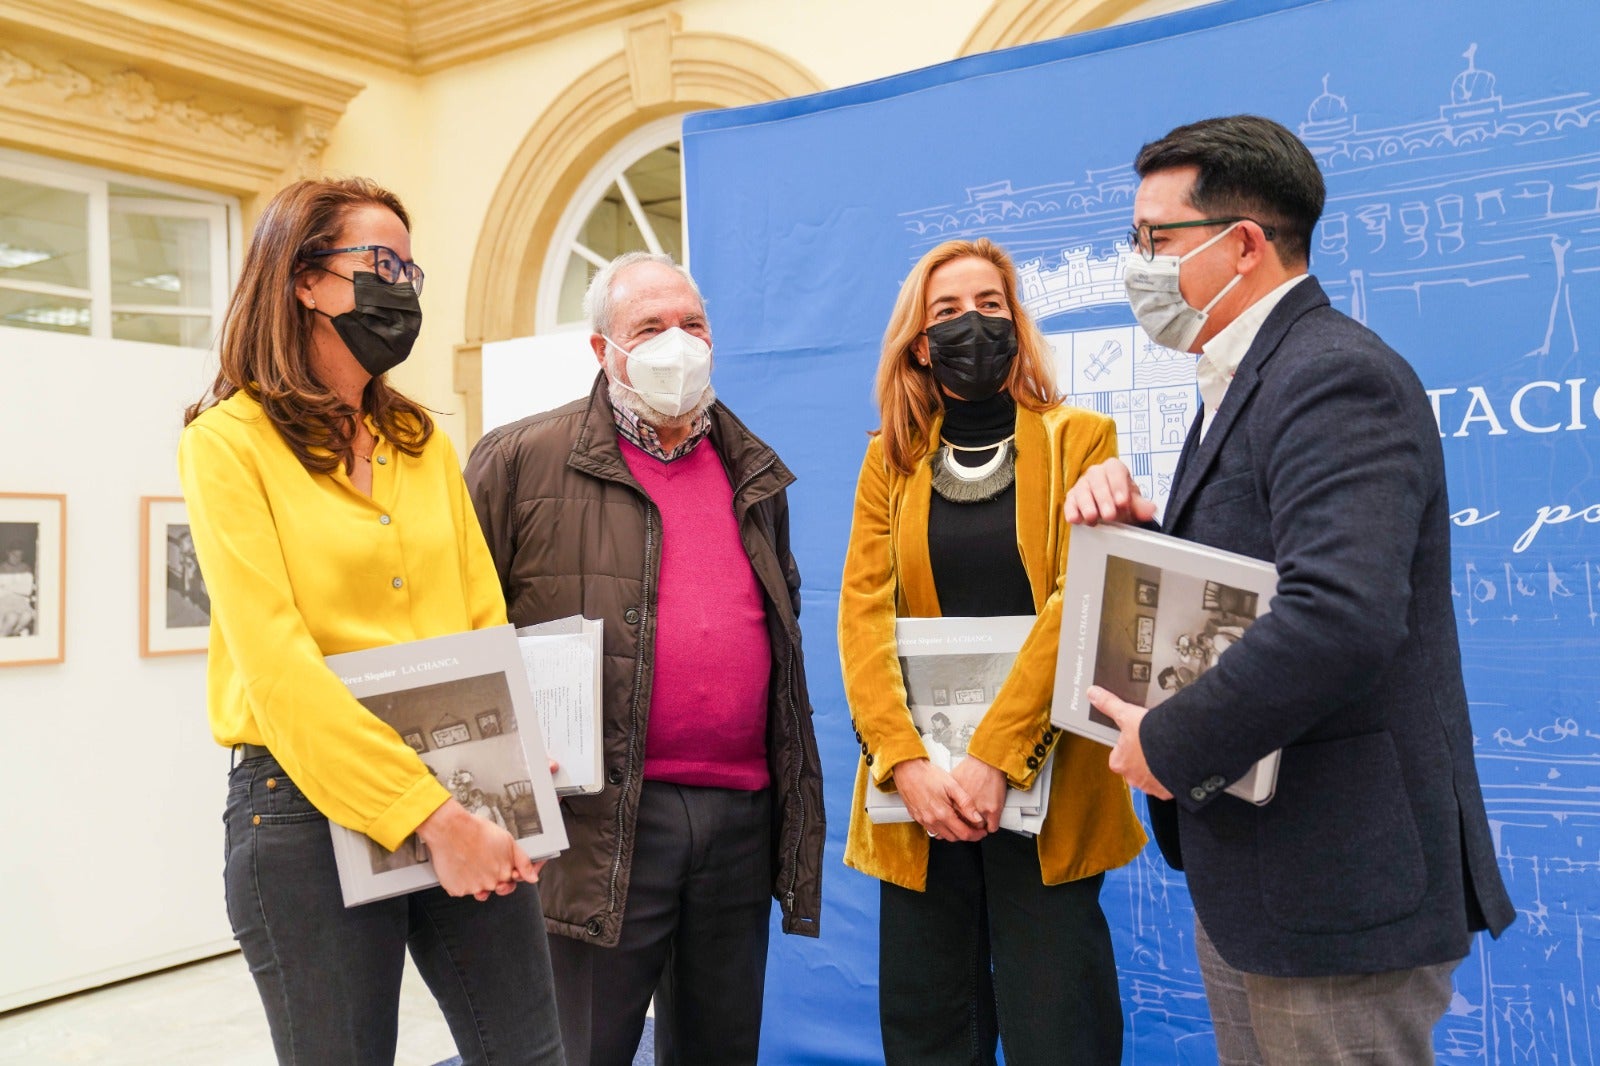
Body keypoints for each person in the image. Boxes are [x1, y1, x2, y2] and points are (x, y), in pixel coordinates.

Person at [1064, 115, 1516, 1064]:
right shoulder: (1239, 383)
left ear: (1243, 245)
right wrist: (1137, 537)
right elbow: (1258, 579)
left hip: (1338, 880)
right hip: (1264, 874)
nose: (1137, 266)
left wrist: (1172, 741)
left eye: (1155, 241)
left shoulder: (1334, 375)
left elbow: (1340, 615)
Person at [177, 177, 564, 1066]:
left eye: (410, 268)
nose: (403, 288)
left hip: (462, 783)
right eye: (379, 263)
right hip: (303, 810)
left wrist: (516, 767)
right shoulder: (226, 444)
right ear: (304, 280)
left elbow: (481, 619)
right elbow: (277, 671)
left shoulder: (423, 440)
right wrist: (431, 817)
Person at [464, 251, 823, 1066]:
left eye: (692, 325)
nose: (678, 344)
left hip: (739, 816)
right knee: (583, 1048)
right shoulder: (518, 461)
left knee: (719, 1048)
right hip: (601, 821)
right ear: (602, 350)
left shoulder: (753, 470)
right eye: (650, 327)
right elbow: (460, 632)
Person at [838, 237, 1147, 1066]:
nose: (972, 324)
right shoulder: (888, 460)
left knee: (1063, 1035)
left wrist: (994, 759)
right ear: (918, 341)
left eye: (990, 306)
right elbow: (863, 617)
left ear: (1016, 323)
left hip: (1046, 792)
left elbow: (1077, 600)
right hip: (922, 801)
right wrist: (904, 762)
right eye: (947, 312)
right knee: (931, 1036)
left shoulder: (1082, 438)